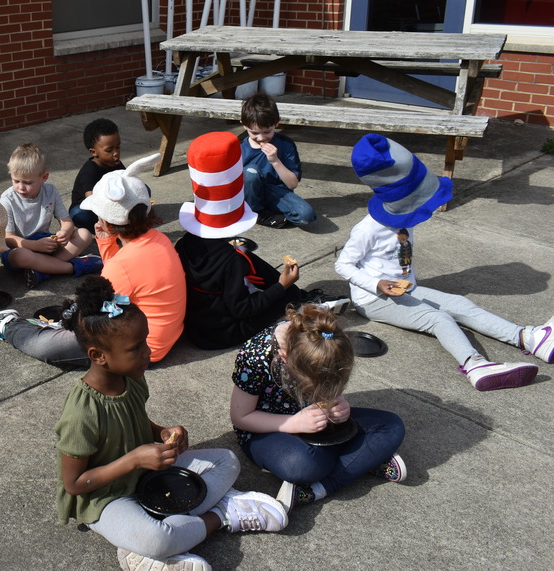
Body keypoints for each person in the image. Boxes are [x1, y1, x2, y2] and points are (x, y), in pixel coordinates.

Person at [54, 276, 288, 571]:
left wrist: (162, 432)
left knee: (227, 460)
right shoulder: (81, 412)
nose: (147, 352)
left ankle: (156, 537)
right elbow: (74, 484)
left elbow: (131, 418)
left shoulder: (132, 378)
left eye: (145, 342)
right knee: (157, 540)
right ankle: (220, 517)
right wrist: (133, 459)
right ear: (98, 356)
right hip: (104, 496)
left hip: (147, 475)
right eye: (136, 348)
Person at [335, 134, 552, 391]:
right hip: (373, 301)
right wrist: (377, 283)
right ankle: (475, 365)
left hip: (406, 289)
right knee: (439, 319)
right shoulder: (368, 229)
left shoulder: (403, 214)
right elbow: (343, 265)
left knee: (461, 304)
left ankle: (527, 338)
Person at [0, 154, 188, 366]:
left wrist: (69, 321)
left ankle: (5, 325)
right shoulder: (158, 239)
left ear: (108, 221)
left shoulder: (122, 265)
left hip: (136, 348)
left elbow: (98, 314)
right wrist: (106, 241)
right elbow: (121, 282)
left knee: (45, 345)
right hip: (160, 336)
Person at [175, 132, 348, 350]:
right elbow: (243, 310)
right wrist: (281, 286)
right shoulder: (232, 260)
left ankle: (297, 296)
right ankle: (298, 305)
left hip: (196, 326)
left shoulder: (184, 243)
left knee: (248, 256)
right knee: (281, 294)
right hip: (223, 333)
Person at [229, 303, 407, 511]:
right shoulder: (256, 356)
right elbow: (241, 417)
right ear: (285, 359)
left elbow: (331, 386)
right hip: (266, 429)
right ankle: (363, 459)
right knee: (303, 465)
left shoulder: (327, 341)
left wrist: (339, 403)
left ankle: (317, 488)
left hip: (318, 423)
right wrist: (293, 423)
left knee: (392, 426)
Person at [0, 143, 103, 288]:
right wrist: (34, 245)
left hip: (44, 242)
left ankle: (43, 270)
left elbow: (66, 222)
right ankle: (72, 267)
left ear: (44, 177)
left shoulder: (50, 191)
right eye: (16, 181)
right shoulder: (7, 198)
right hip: (19, 248)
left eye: (28, 182)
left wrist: (64, 233)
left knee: (84, 234)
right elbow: (8, 238)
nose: (21, 187)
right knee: (23, 256)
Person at [239, 93, 316, 228]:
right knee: (251, 172)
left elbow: (292, 184)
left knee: (306, 216)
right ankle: (256, 211)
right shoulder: (239, 146)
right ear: (244, 125)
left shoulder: (285, 144)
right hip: (248, 193)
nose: (261, 138)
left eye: (267, 132)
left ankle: (263, 212)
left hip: (275, 192)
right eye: (255, 133)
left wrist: (275, 161)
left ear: (277, 123)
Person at [69, 117, 126, 230]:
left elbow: (128, 182)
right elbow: (92, 199)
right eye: (109, 150)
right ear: (93, 152)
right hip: (90, 208)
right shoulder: (90, 170)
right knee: (79, 215)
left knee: (144, 189)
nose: (116, 153)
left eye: (118, 147)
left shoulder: (116, 163)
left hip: (112, 203)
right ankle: (109, 227)